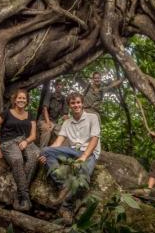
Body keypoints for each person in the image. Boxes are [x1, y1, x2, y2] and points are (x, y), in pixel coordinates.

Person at [39, 92, 100, 225]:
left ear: (82, 103)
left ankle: (66, 206)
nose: (76, 105)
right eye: (73, 103)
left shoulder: (92, 117)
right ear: (69, 106)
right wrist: (46, 154)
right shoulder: (67, 122)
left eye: (78, 102)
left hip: (89, 153)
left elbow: (94, 139)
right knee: (44, 150)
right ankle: (63, 185)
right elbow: (57, 143)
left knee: (83, 176)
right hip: (72, 151)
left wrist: (83, 157)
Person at [0, 89, 39, 211]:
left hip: (25, 141)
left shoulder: (30, 115)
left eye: (24, 98)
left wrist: (26, 141)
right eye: (19, 98)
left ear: (27, 101)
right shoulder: (6, 113)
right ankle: (25, 198)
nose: (21, 100)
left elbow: (33, 136)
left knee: (33, 158)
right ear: (15, 100)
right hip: (8, 142)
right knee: (17, 160)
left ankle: (18, 192)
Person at [38, 79, 69, 147]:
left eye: (60, 85)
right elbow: (45, 109)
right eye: (57, 85)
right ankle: (42, 152)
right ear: (55, 86)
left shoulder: (63, 98)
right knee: (47, 129)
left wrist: (67, 125)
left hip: (54, 123)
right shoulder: (50, 95)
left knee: (65, 133)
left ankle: (63, 154)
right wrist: (48, 122)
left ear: (62, 86)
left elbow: (65, 115)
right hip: (44, 120)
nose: (58, 86)